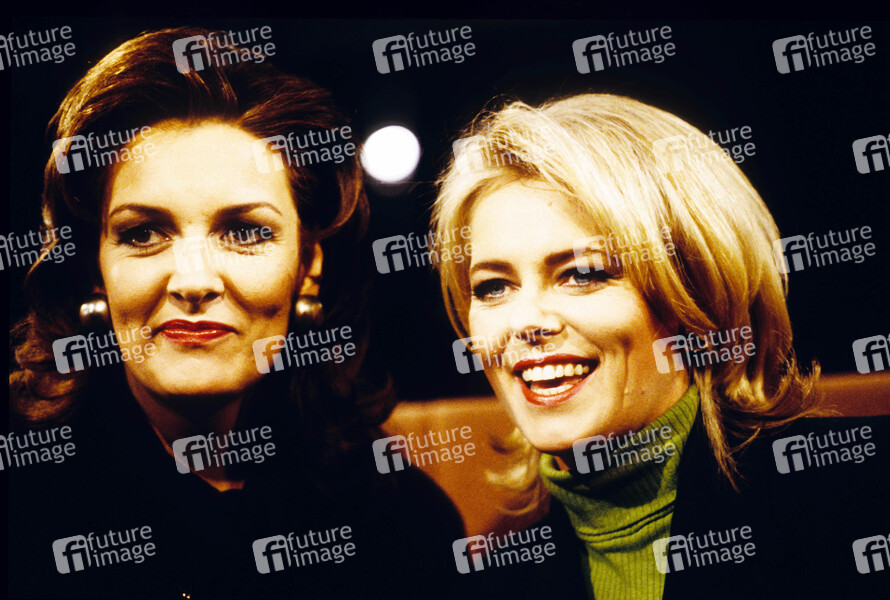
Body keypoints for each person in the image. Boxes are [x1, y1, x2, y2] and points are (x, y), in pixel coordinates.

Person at [8, 26, 462, 600]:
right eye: (143, 233)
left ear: (308, 266)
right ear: (96, 268)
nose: (194, 280)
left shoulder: (402, 523)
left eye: (245, 232)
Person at [432, 94, 889, 599]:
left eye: (582, 274)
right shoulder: (491, 577)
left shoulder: (861, 492)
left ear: (694, 292)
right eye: (493, 287)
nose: (525, 323)